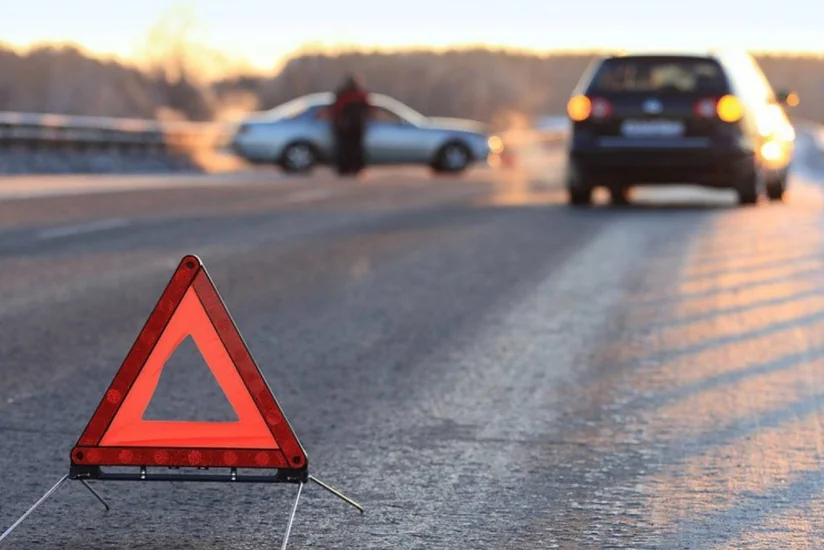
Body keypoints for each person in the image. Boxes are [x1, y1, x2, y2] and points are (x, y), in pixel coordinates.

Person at [330, 73, 371, 176]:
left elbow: (336, 110)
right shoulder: (360, 95)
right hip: (357, 126)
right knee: (355, 148)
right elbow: (369, 109)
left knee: (345, 148)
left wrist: (336, 123)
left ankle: (345, 168)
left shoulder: (342, 95)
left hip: (345, 126)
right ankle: (355, 167)